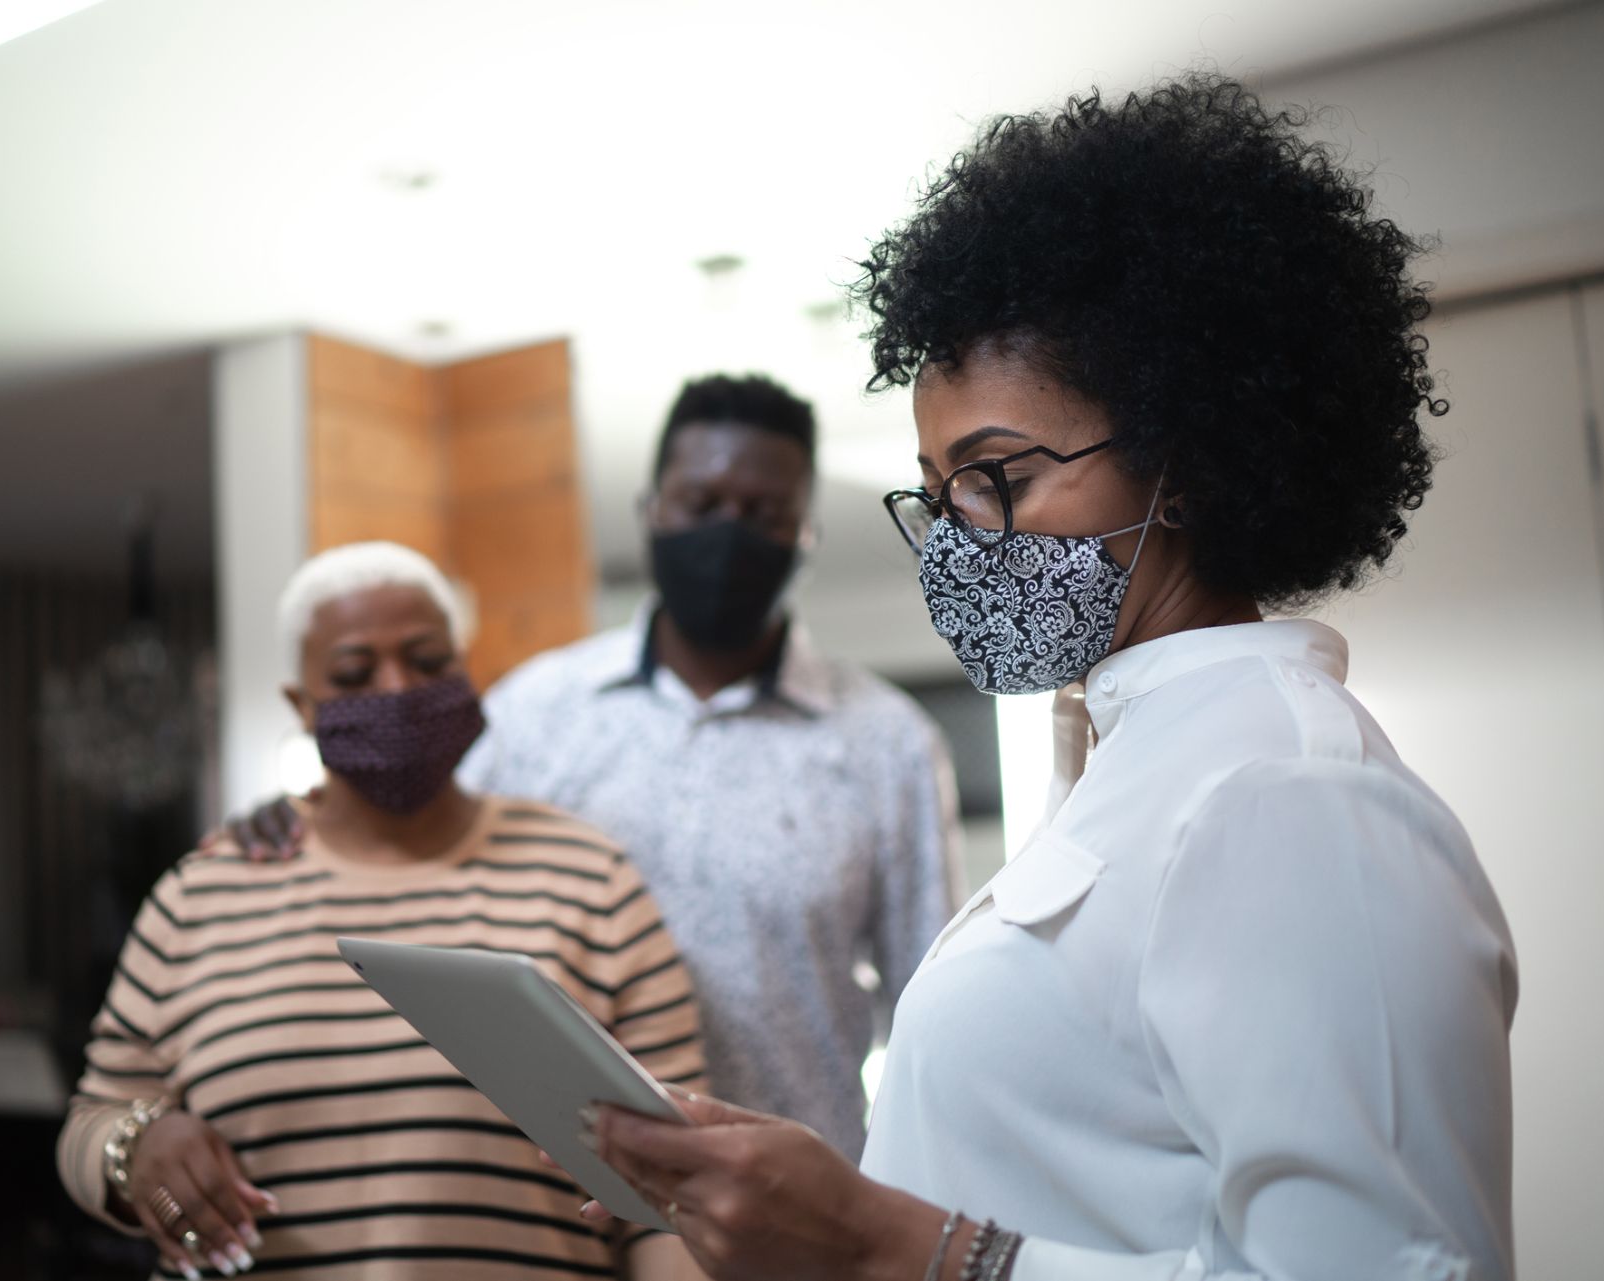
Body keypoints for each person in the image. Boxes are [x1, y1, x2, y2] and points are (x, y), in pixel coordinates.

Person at [578, 76, 1517, 1281]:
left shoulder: (1288, 794)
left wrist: (892, 1246)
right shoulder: (1135, 763)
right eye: (939, 493)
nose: (959, 536)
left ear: (1184, 463)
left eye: (1001, 478)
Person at [216, 373, 964, 1162]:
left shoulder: (887, 743)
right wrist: (308, 816)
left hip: (788, 1190)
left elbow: (934, 1016)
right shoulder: (534, 711)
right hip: (549, 1190)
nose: (728, 532)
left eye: (763, 513)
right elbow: (415, 857)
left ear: (806, 531)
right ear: (652, 510)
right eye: (701, 503)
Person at [57, 542, 708, 1281]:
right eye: (353, 674)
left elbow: (678, 1174)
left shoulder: (591, 877)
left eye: (428, 661)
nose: (397, 689)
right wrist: (135, 1148)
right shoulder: (199, 894)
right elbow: (92, 1118)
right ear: (301, 705)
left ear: (465, 671)